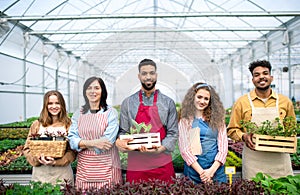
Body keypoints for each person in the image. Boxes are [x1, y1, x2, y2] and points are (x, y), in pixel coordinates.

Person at [227, 59, 296, 179]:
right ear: (252, 79)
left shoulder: (285, 101)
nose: (261, 77)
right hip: (254, 162)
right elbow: (232, 129)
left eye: (265, 73)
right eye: (256, 75)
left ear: (271, 77)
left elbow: (292, 128)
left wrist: (289, 142)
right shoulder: (242, 102)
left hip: (280, 161)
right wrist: (244, 136)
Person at [116, 58, 178, 183]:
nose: (148, 77)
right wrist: (121, 143)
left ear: (156, 75)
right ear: (139, 76)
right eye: (144, 74)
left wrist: (159, 149)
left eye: (151, 73)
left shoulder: (168, 102)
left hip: (162, 162)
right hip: (137, 164)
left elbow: (173, 133)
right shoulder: (128, 103)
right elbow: (122, 131)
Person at [68, 76, 122, 190]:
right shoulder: (78, 113)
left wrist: (82, 143)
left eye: (97, 88)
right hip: (85, 169)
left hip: (108, 169)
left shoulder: (111, 113)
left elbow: (107, 142)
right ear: (85, 92)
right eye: (89, 88)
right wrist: (94, 143)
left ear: (102, 91)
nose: (93, 91)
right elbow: (72, 141)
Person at [178, 82, 228, 184]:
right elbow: (185, 150)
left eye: (206, 99)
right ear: (192, 97)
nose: (202, 101)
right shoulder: (185, 120)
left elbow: (223, 147)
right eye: (199, 97)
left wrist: (211, 171)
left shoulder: (218, 119)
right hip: (194, 172)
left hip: (216, 170)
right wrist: (203, 174)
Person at [23, 90, 76, 185]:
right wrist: (37, 159)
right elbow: (27, 149)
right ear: (45, 106)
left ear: (62, 105)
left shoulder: (69, 125)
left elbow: (72, 152)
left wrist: (56, 162)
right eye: (50, 103)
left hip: (62, 175)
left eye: (57, 103)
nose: (54, 106)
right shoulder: (37, 124)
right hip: (40, 174)